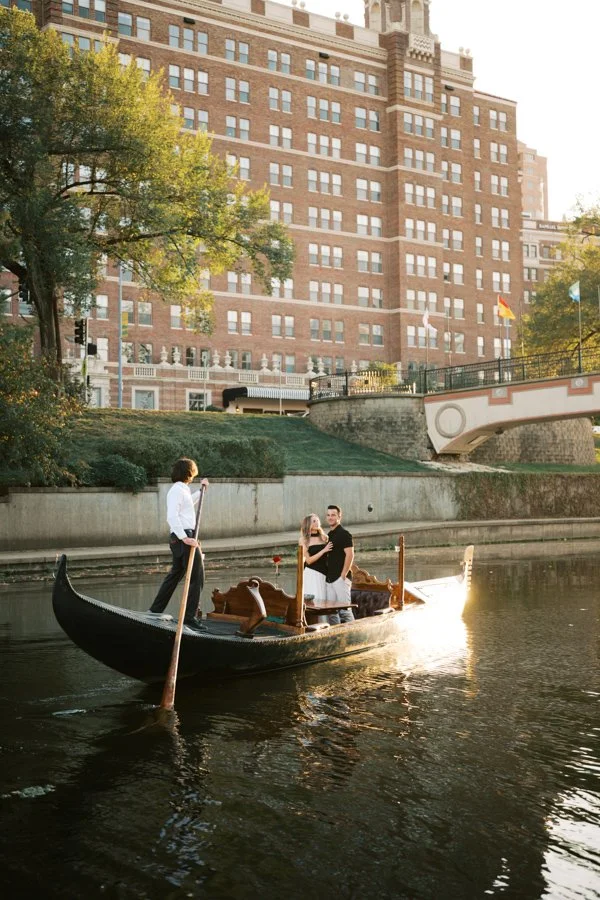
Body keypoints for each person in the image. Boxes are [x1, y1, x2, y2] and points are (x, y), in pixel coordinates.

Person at [147, 458, 209, 633]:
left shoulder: (182, 489)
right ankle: (189, 617)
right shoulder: (176, 490)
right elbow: (172, 516)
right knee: (197, 576)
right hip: (183, 537)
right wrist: (184, 538)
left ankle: (155, 610)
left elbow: (188, 504)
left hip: (183, 537)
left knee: (176, 574)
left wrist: (201, 491)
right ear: (188, 473)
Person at [325, 504, 355, 625]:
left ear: (339, 516)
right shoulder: (329, 535)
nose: (330, 517)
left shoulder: (345, 534)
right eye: (328, 515)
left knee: (345, 611)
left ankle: (353, 634)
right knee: (331, 612)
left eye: (333, 515)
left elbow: (350, 555)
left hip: (340, 578)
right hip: (330, 578)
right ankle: (336, 636)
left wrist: (343, 574)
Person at [299, 514, 332, 622]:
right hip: (312, 574)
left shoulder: (325, 537)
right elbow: (308, 560)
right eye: (314, 521)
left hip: (325, 573)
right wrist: (324, 550)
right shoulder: (304, 540)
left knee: (324, 599)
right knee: (314, 600)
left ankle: (325, 625)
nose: (317, 522)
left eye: (317, 520)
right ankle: (312, 624)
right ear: (308, 524)